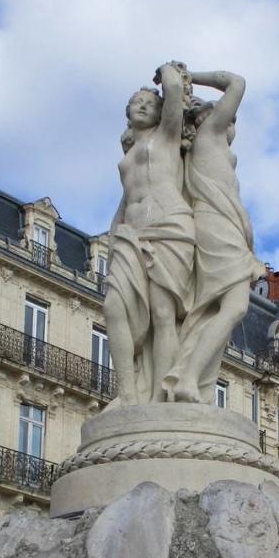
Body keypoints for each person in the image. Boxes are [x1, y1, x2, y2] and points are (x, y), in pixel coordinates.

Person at [163, 69, 263, 403]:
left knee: (211, 311)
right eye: (227, 116)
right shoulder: (211, 134)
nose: (232, 122)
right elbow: (237, 82)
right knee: (234, 307)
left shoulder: (204, 147)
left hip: (219, 225)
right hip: (218, 226)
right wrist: (192, 74)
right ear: (209, 117)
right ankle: (188, 379)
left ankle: (195, 380)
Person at [103, 63, 194, 404]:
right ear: (127, 113)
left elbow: (172, 89)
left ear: (160, 113)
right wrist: (114, 236)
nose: (142, 105)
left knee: (162, 313)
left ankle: (162, 394)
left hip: (170, 225)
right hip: (131, 232)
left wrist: (167, 71)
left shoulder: (167, 137)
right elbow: (126, 199)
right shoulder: (128, 154)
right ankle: (127, 391)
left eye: (148, 102)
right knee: (114, 306)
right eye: (136, 101)